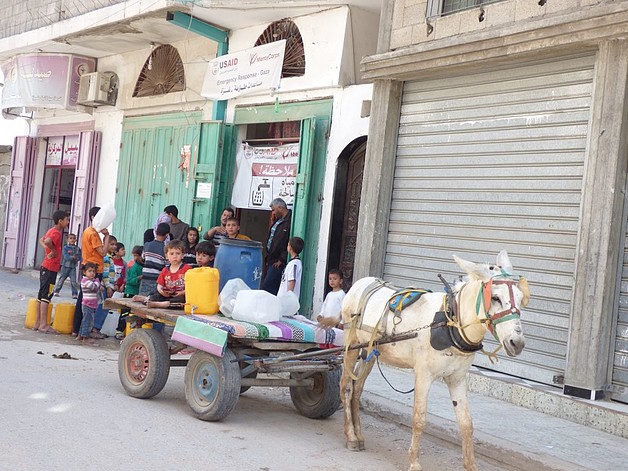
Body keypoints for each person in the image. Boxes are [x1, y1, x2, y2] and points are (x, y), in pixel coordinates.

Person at [72, 206, 111, 337]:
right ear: (94, 218)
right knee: (89, 303)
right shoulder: (94, 234)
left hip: (87, 267)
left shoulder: (87, 231)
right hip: (93, 270)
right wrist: (107, 237)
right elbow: (103, 252)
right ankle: (84, 332)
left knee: (82, 300)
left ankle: (76, 329)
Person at [35, 210, 70, 334]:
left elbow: (42, 240)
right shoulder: (56, 233)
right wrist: (53, 251)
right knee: (46, 296)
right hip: (50, 268)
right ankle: (43, 325)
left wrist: (48, 249)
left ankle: (38, 322)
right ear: (60, 221)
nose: (68, 222)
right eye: (66, 219)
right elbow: (48, 241)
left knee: (41, 294)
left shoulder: (51, 230)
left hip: (46, 266)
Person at [146, 239, 192, 308]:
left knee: (181, 300)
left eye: (178, 253)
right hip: (167, 295)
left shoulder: (187, 269)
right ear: (166, 256)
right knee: (155, 295)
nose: (175, 256)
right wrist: (162, 292)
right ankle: (146, 299)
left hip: (180, 296)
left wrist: (182, 292)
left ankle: (157, 304)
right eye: (171, 253)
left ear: (182, 255)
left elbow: (191, 287)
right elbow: (159, 286)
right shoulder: (165, 270)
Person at [261, 198, 292, 295]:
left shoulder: (289, 221)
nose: (273, 213)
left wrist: (282, 259)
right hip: (271, 258)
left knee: (268, 286)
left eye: (274, 210)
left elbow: (286, 241)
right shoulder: (278, 221)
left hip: (278, 261)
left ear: (280, 208)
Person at [92, 235, 118, 338]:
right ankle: (95, 328)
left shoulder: (110, 258)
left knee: (104, 307)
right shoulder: (106, 258)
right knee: (102, 308)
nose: (114, 246)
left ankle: (96, 328)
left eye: (115, 244)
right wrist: (108, 287)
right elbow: (105, 274)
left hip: (109, 286)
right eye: (111, 244)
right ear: (105, 244)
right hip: (105, 286)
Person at [139, 222, 169, 297]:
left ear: (155, 232)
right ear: (167, 235)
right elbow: (167, 265)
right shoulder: (165, 249)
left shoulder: (147, 245)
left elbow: (143, 258)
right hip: (157, 279)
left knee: (142, 299)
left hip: (145, 277)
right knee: (153, 300)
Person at [77, 262, 102, 343]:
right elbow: (94, 287)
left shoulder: (92, 280)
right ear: (84, 272)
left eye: (94, 271)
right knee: (88, 321)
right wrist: (98, 282)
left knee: (85, 320)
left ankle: (80, 335)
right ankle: (85, 337)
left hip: (92, 304)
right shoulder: (85, 280)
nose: (92, 273)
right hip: (87, 304)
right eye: (90, 271)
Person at [53, 232, 81, 298]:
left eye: (74, 238)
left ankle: (74, 294)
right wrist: (72, 257)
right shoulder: (65, 248)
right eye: (70, 238)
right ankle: (56, 291)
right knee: (61, 279)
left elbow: (80, 257)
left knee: (73, 281)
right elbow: (65, 256)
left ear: (76, 240)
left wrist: (77, 258)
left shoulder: (77, 249)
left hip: (73, 268)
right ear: (67, 240)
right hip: (65, 267)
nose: (72, 240)